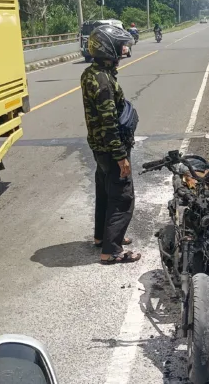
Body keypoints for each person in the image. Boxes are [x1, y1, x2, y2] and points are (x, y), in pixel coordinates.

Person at [80, 24, 141, 264]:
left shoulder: (90, 74)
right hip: (110, 147)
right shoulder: (103, 81)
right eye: (119, 46)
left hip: (98, 147)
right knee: (122, 197)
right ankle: (111, 250)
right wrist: (120, 156)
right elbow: (108, 122)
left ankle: (101, 237)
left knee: (105, 192)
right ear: (108, 49)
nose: (123, 50)